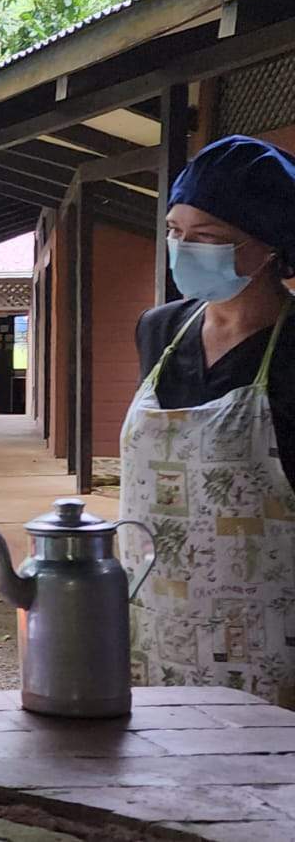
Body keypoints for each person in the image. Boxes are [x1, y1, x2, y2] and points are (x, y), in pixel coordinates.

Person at [121, 134, 295, 706]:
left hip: (267, 650)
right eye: (175, 232)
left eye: (209, 239)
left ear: (269, 247)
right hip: (149, 627)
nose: (184, 249)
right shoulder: (160, 330)